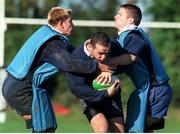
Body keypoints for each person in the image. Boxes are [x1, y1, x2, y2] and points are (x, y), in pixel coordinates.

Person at [2, 7, 111, 132]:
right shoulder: (53, 44)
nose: (73, 25)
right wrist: (98, 66)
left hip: (14, 84)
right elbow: (69, 64)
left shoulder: (49, 34)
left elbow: (74, 54)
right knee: (45, 128)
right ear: (61, 23)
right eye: (70, 22)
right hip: (21, 88)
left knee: (43, 127)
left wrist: (90, 52)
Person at [104, 3, 173, 132]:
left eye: (120, 14)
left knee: (138, 130)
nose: (115, 16)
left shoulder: (133, 36)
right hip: (153, 89)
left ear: (130, 20)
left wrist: (107, 63)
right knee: (144, 129)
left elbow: (131, 58)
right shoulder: (127, 36)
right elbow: (125, 65)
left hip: (155, 90)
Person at [67, 32, 125, 133]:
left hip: (112, 95)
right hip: (90, 96)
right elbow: (78, 90)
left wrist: (110, 70)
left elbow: (128, 63)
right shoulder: (76, 58)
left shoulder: (114, 46)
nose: (104, 57)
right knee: (103, 129)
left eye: (107, 53)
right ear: (90, 46)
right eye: (101, 53)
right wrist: (106, 93)